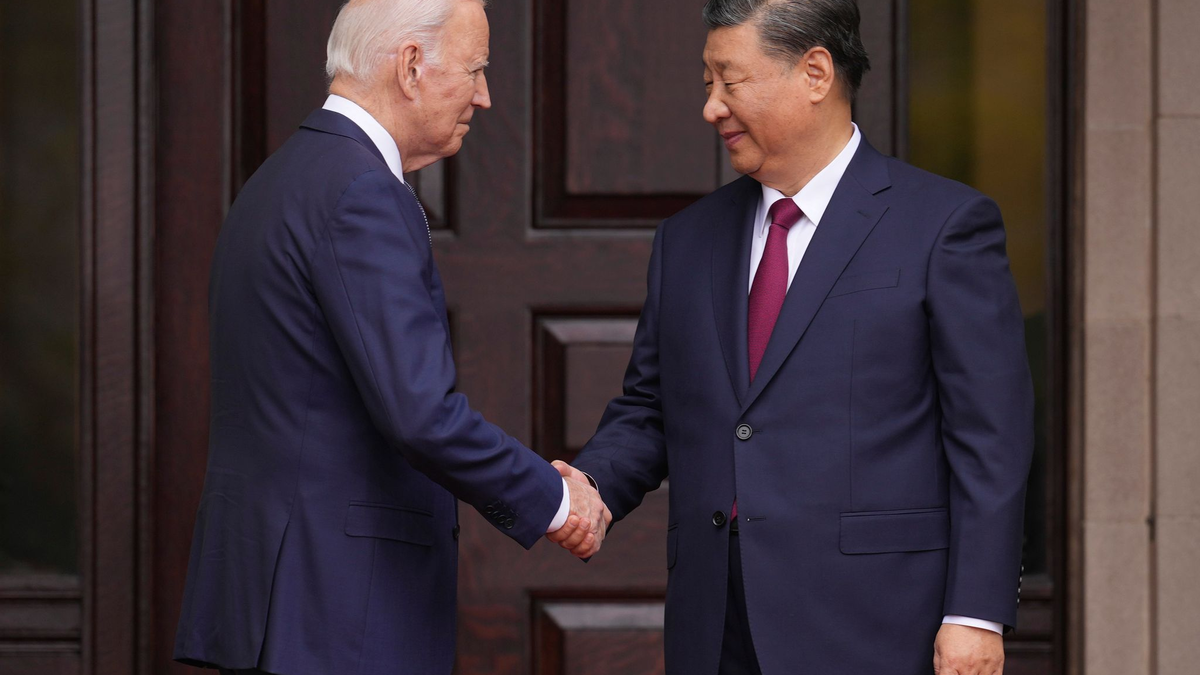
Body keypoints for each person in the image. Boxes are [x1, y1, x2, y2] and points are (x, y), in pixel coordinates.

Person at [557, 1, 1033, 673]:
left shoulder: (944, 226)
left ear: (815, 73)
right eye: (706, 84)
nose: (712, 108)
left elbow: (992, 438)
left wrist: (976, 611)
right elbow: (651, 408)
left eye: (729, 80)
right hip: (716, 626)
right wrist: (591, 486)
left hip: (879, 624)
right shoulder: (687, 239)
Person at [172, 1, 609, 674]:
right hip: (337, 612)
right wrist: (554, 501)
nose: (485, 96)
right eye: (476, 69)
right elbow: (421, 412)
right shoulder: (360, 192)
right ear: (410, 66)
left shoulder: (279, 180)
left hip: (278, 602)